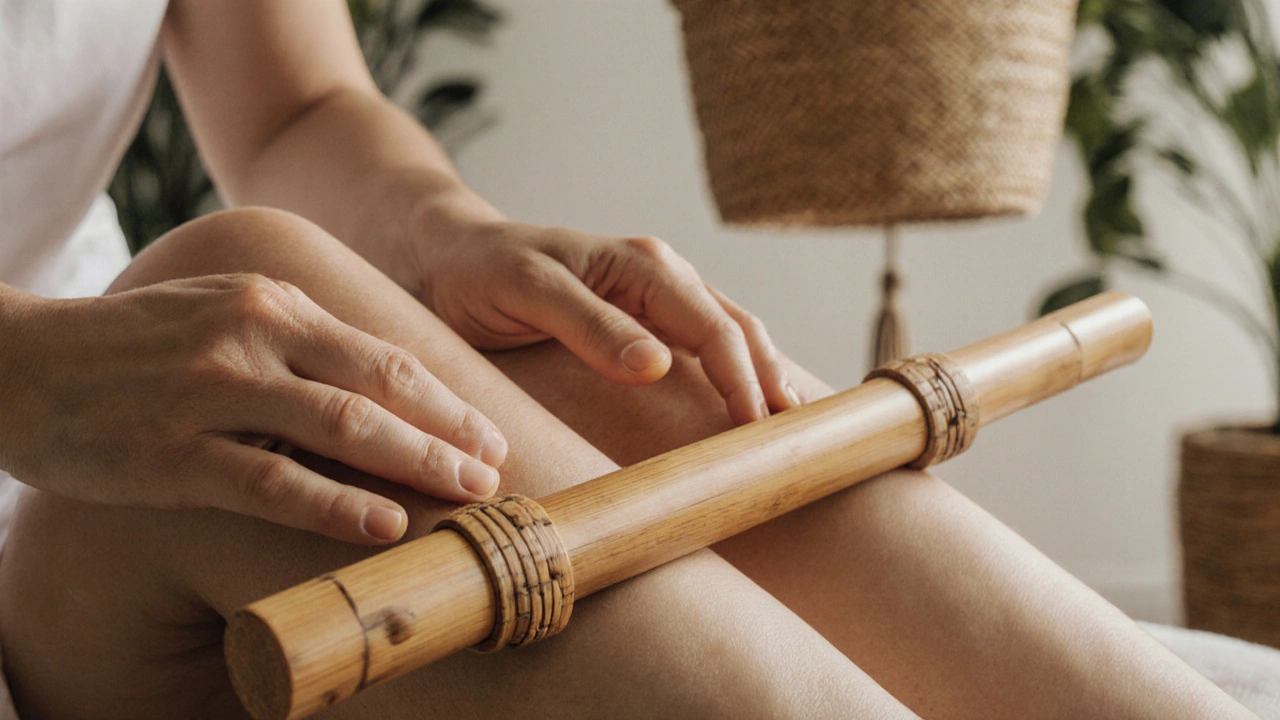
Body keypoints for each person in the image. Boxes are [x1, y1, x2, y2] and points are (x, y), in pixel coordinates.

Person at [0, 1, 1260, 718]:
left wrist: (456, 241)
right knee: (242, 293)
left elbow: (292, 107)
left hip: (126, 366)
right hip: (56, 468)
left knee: (609, 361)